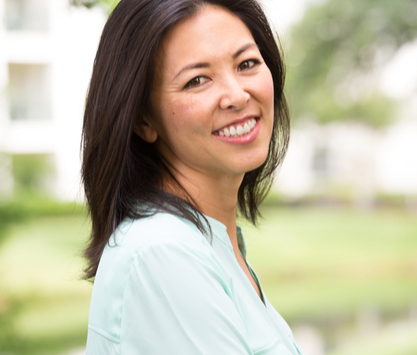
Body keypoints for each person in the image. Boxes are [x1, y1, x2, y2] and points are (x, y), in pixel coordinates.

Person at [80, 0, 298, 353]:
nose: (237, 95)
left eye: (246, 64)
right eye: (197, 80)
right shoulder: (163, 254)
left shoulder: (208, 243)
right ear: (142, 120)